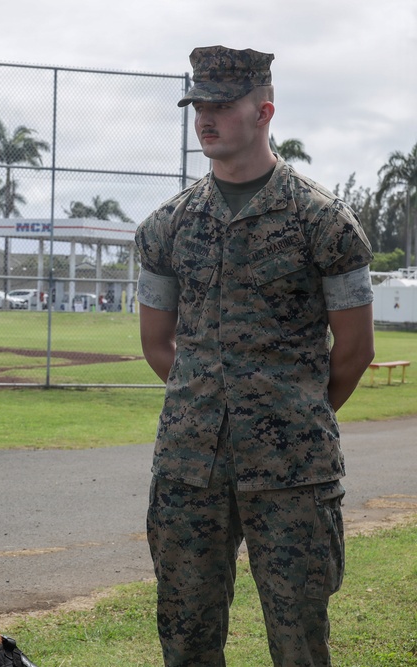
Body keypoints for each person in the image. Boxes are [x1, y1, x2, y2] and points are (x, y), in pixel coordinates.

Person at [136, 46, 375, 666]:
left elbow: (354, 350)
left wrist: (290, 411)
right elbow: (158, 345)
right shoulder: (167, 226)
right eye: (197, 106)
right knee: (186, 638)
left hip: (294, 469)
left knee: (298, 641)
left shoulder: (324, 223)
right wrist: (212, 405)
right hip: (191, 466)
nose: (204, 119)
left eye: (221, 106)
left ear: (264, 110)